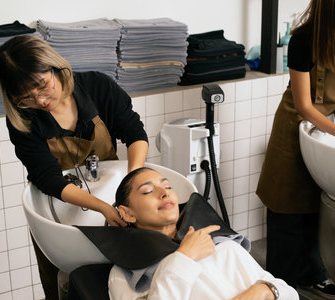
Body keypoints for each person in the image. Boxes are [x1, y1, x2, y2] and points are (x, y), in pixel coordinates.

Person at [0, 35, 149, 300]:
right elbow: (48, 178)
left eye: (42, 86)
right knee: (61, 285)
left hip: (109, 191)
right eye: (26, 98)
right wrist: (102, 207)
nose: (40, 101)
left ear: (54, 67)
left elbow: (135, 134)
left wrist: (133, 180)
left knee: (114, 282)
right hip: (55, 208)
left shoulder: (98, 87)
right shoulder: (22, 118)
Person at [108, 167, 298, 300]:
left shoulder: (224, 246)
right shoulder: (126, 274)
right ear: (127, 213)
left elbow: (290, 293)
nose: (164, 193)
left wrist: (265, 290)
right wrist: (184, 258)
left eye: (167, 186)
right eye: (148, 191)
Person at [256, 0, 335, 297]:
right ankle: (281, 284)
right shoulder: (303, 39)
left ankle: (313, 275)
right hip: (295, 126)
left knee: (316, 208)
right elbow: (304, 105)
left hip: (325, 126)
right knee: (287, 207)